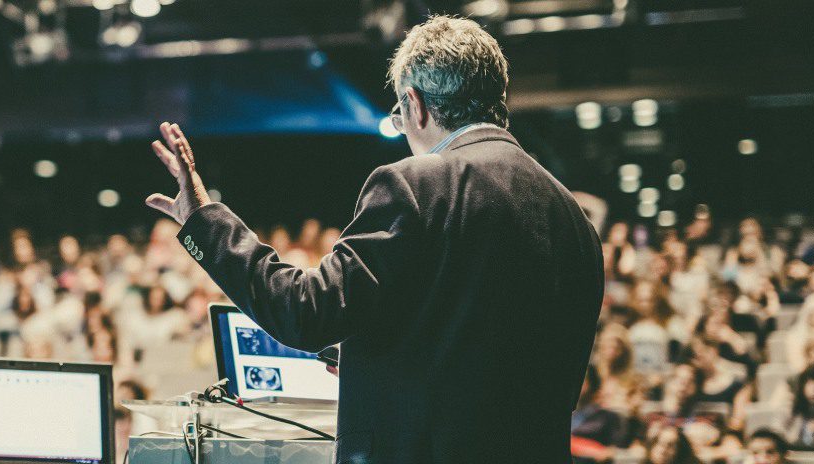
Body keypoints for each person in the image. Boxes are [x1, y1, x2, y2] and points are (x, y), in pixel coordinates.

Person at [143, 16, 602, 463]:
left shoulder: (416, 184)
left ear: (415, 104)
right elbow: (506, 366)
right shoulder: (572, 218)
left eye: (400, 116)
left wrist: (203, 219)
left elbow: (305, 312)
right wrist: (379, 359)